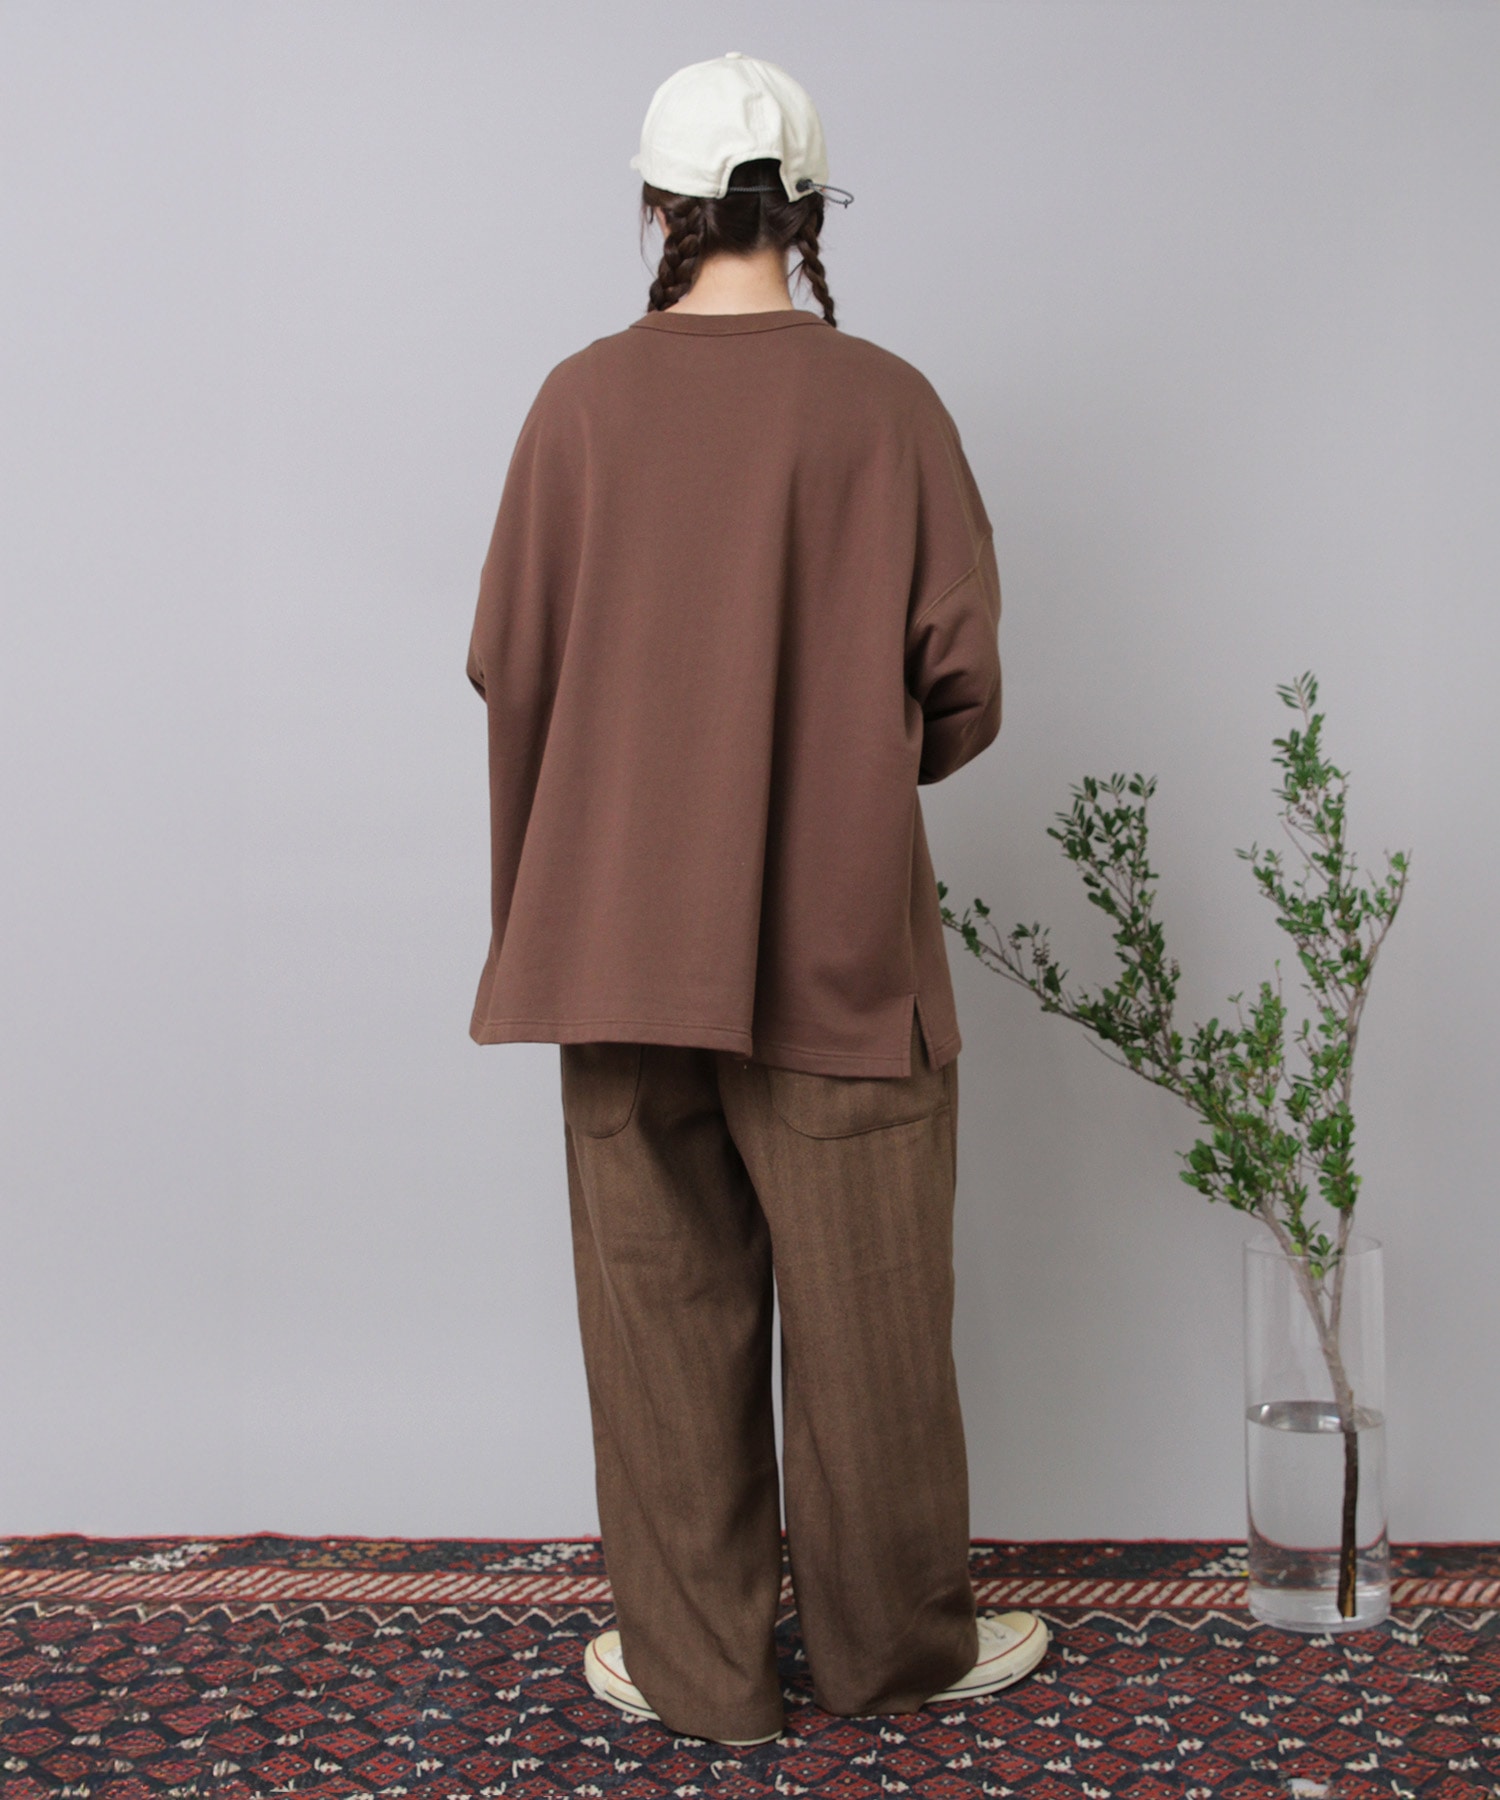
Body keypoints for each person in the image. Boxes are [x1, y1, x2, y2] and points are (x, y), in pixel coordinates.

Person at [465, 51, 1049, 1750]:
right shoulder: (887, 406)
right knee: (874, 1323)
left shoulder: (577, 404)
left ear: (655, 204)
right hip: (840, 949)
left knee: (661, 1319)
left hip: (614, 944)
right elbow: (962, 689)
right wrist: (838, 768)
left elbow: (509, 666)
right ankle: (891, 1653)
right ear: (807, 213)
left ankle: (698, 1667)